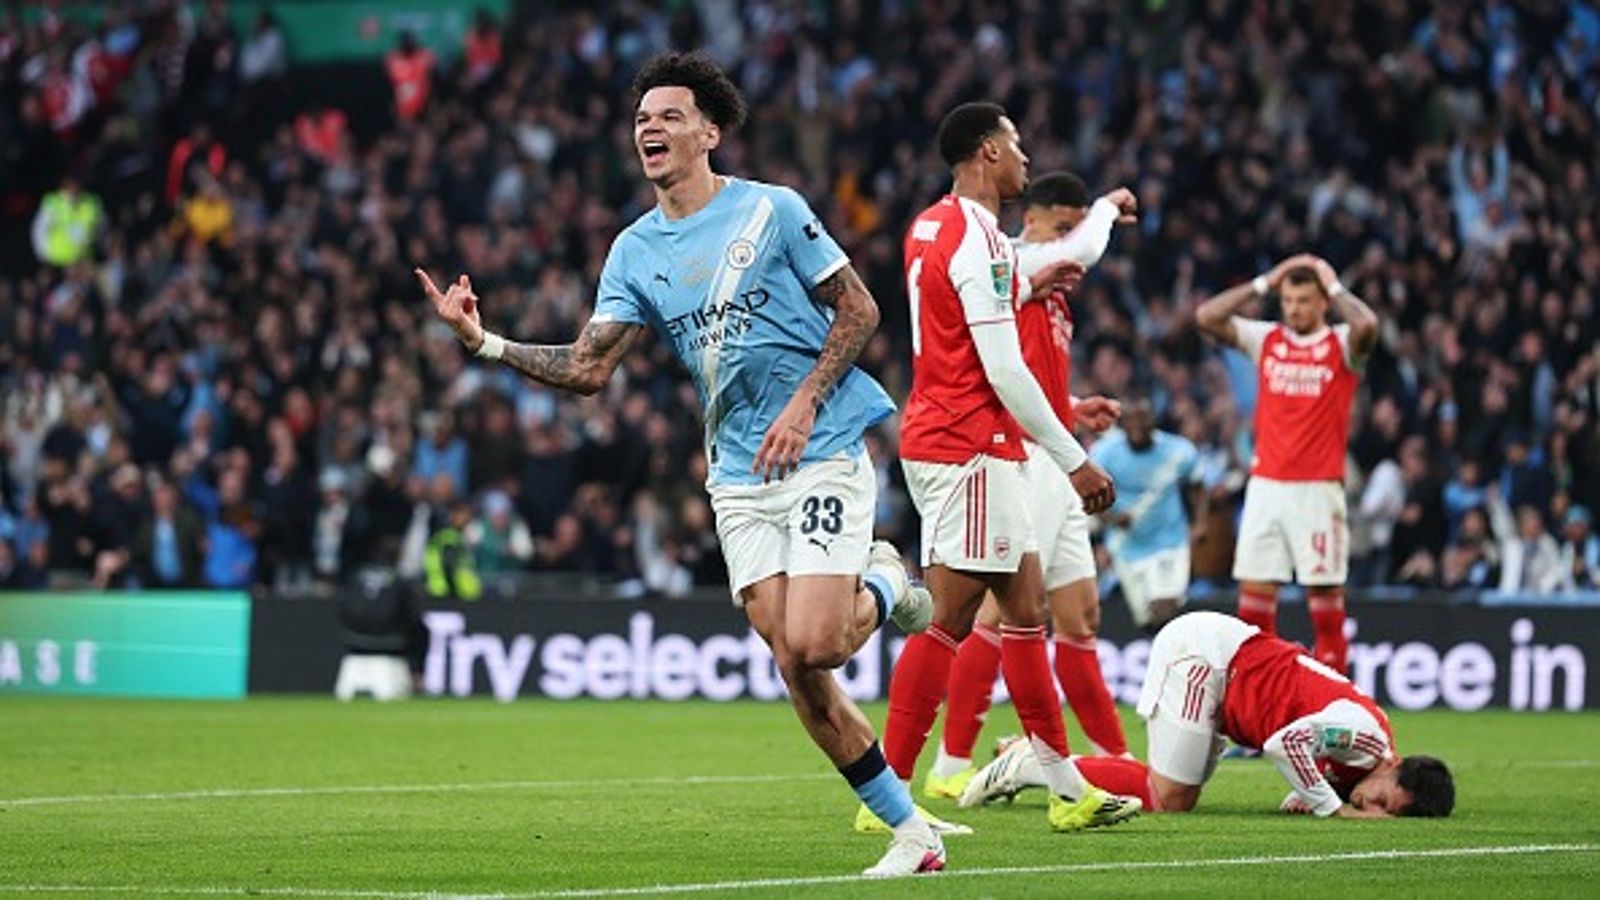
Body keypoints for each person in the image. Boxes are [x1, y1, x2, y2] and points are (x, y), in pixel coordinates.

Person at [418, 53, 939, 877]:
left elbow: (860, 308)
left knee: (817, 643)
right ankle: (912, 833)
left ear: (709, 132)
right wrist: (484, 343)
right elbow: (589, 367)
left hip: (820, 446)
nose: (649, 129)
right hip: (736, 474)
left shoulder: (772, 210)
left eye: (668, 116)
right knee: (793, 662)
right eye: (640, 120)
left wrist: (805, 401)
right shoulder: (634, 250)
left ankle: (884, 579)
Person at [880, 103, 1140, 837]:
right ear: (989, 152)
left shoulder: (933, 226)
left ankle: (1066, 789)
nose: (1026, 157)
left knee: (1026, 614)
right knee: (948, 620)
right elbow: (1002, 366)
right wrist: (1075, 461)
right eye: (1017, 144)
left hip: (967, 439)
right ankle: (886, 796)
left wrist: (1034, 279)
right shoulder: (980, 238)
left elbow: (965, 319)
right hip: (966, 444)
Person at [962, 611, 1455, 820]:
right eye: (1382, 801)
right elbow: (1284, 744)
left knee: (1175, 793)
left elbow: (1309, 757)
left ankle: (1034, 757)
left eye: (1385, 812)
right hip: (1209, 659)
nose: (1370, 808)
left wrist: (1313, 795)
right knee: (1169, 796)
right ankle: (1030, 764)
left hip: (1226, 678)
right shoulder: (1367, 740)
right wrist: (1332, 807)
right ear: (1394, 764)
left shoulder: (1365, 760)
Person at [1195, 254, 1379, 674]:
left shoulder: (1341, 344)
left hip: (1318, 489)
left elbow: (1368, 326)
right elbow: (1206, 317)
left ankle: (1332, 702)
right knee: (1253, 614)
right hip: (1266, 487)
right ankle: (1263, 702)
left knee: (1326, 612)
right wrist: (1264, 282)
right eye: (1289, 300)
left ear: (1323, 303)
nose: (1294, 309)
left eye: (1305, 300)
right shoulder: (1268, 339)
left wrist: (1335, 285)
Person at [1091, 396, 1207, 634]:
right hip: (1126, 546)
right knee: (1146, 621)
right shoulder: (1105, 453)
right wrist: (1112, 519)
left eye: (1142, 418)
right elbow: (1090, 496)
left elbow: (1197, 484)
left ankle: (1175, 653)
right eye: (1130, 419)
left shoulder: (1178, 451)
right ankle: (1164, 653)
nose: (1137, 425)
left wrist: (1200, 523)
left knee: (1164, 608)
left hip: (1169, 542)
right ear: (1122, 423)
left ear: (1153, 420)